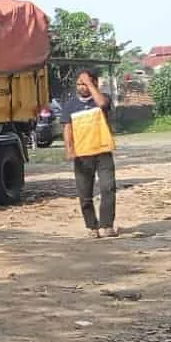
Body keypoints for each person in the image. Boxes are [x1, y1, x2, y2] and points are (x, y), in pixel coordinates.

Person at [61, 69, 117, 238]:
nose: (82, 87)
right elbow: (67, 128)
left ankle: (107, 225)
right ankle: (92, 227)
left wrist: (91, 85)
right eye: (79, 84)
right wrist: (69, 149)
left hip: (103, 151)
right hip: (82, 154)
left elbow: (101, 104)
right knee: (85, 194)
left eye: (85, 83)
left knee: (108, 188)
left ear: (93, 83)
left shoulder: (102, 98)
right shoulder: (70, 105)